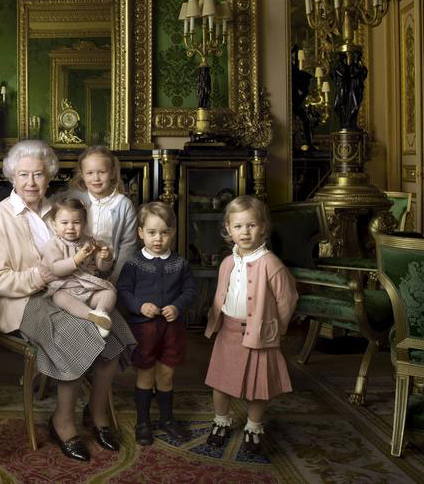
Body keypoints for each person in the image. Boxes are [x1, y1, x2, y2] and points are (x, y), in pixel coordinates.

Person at [0, 140, 135, 461]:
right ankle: (62, 420)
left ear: (49, 176)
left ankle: (97, 412)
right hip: (22, 301)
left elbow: (83, 258)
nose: (31, 182)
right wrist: (42, 276)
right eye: (23, 175)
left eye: (38, 174)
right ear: (12, 177)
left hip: (69, 289)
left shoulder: (61, 210)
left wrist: (99, 258)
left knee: (114, 325)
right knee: (75, 331)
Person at [204, 195, 298, 454]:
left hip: (259, 334)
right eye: (238, 226)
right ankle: (221, 421)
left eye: (251, 225)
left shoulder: (271, 263)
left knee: (257, 388)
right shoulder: (227, 263)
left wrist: (276, 328)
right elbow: (221, 295)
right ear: (228, 229)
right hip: (228, 331)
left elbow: (287, 299)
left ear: (263, 228)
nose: (245, 232)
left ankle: (254, 426)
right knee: (220, 383)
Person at [117, 201, 196, 446]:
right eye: (152, 233)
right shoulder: (134, 263)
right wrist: (140, 306)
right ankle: (143, 422)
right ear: (141, 233)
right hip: (145, 329)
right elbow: (123, 290)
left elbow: (190, 290)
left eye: (164, 232)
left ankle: (167, 419)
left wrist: (178, 306)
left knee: (167, 374)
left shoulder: (179, 263)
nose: (158, 239)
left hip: (172, 329)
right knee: (145, 374)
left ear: (172, 232)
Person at [59, 145, 139, 280]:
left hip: (110, 267)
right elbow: (51, 209)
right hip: (77, 265)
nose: (96, 178)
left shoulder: (124, 205)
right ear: (82, 174)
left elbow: (128, 246)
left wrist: (116, 277)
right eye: (89, 173)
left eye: (102, 172)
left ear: (112, 173)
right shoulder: (75, 198)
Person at [41, 197, 118, 337]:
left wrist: (105, 257)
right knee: (58, 297)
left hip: (88, 289)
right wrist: (76, 260)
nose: (70, 227)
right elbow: (55, 269)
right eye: (64, 223)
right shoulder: (54, 244)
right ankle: (91, 315)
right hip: (66, 288)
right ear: (54, 225)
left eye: (76, 222)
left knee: (109, 293)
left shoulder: (90, 242)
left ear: (84, 223)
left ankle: (101, 313)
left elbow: (102, 268)